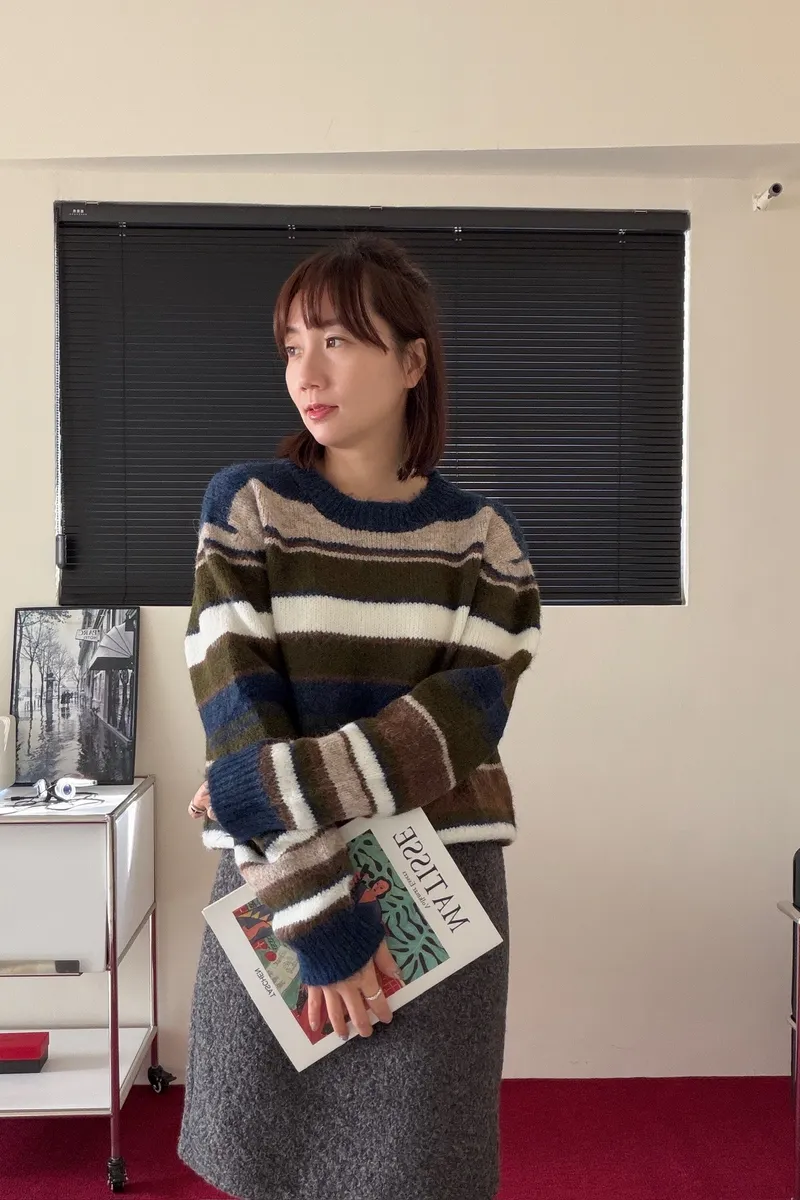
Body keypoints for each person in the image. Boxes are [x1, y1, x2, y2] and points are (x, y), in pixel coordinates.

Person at [178, 234, 541, 1200]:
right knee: (269, 1167)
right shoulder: (249, 507)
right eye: (292, 346)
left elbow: (460, 724)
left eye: (337, 340)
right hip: (279, 881)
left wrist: (254, 790)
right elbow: (235, 703)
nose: (307, 372)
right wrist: (318, 915)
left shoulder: (484, 542)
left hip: (439, 890)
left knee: (417, 1170)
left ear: (413, 361)